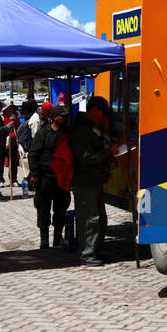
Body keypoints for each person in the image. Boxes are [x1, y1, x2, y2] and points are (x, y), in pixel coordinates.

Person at [69, 96, 118, 266]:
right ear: (95, 111)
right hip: (85, 181)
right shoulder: (82, 130)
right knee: (89, 218)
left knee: (98, 218)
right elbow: (86, 157)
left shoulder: (90, 128)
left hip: (93, 180)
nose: (104, 117)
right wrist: (109, 153)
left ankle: (95, 248)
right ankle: (87, 252)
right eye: (102, 113)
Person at [27, 107, 72, 251]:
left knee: (61, 208)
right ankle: (44, 240)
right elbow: (33, 153)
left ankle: (57, 239)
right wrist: (34, 174)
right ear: (55, 117)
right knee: (43, 208)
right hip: (45, 176)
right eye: (62, 116)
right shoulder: (43, 133)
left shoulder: (68, 133)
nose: (65, 119)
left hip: (61, 177)